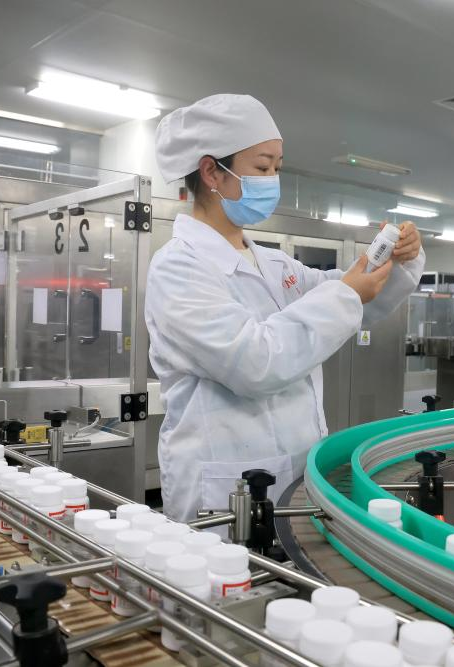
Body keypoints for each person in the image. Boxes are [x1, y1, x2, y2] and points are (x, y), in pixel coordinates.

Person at [147, 94, 425, 523]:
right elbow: (255, 362)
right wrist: (348, 295)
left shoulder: (274, 263)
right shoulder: (179, 267)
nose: (272, 179)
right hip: (226, 486)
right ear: (211, 172)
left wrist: (397, 257)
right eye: (262, 168)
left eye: (277, 168)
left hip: (297, 473)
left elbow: (355, 298)